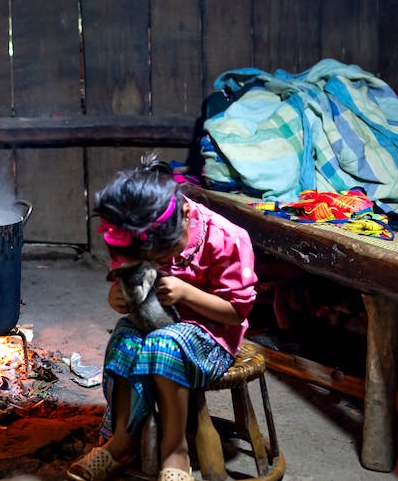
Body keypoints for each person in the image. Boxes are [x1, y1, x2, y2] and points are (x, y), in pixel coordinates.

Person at [67, 155, 258, 481]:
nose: (155, 263)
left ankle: (175, 449)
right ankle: (123, 437)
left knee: (163, 342)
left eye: (163, 256)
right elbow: (127, 291)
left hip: (212, 334)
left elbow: (237, 311)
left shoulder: (227, 238)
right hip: (156, 322)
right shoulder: (138, 236)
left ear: (184, 213)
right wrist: (118, 299)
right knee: (125, 337)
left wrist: (187, 294)